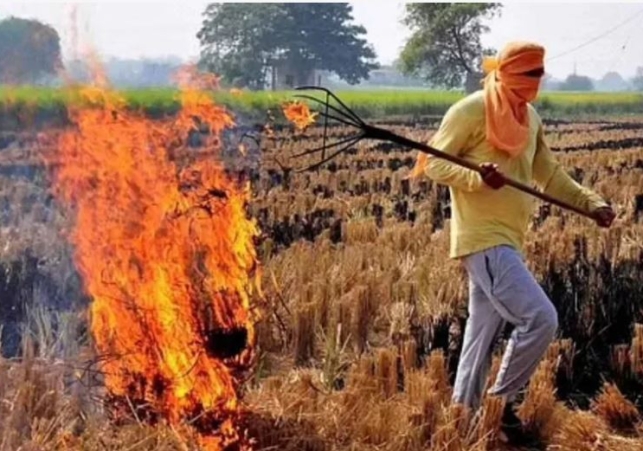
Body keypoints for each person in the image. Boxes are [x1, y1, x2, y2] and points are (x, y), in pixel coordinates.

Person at [410, 41, 615, 445]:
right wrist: (476, 178)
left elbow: (550, 174)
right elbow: (432, 162)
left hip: (510, 239)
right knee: (541, 318)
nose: (538, 81)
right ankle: (499, 406)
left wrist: (592, 203)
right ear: (511, 72)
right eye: (531, 74)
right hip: (484, 240)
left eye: (540, 74)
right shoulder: (471, 110)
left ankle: (463, 420)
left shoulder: (529, 117)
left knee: (480, 337)